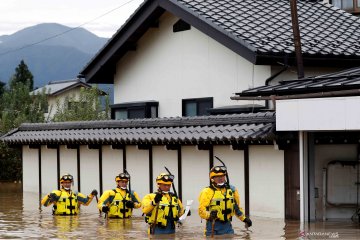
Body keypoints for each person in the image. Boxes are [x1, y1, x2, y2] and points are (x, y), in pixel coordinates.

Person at [198, 166, 252, 236]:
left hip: (227, 226)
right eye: (217, 177)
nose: (220, 178)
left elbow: (236, 209)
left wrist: (244, 219)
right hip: (213, 227)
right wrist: (210, 215)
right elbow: (201, 210)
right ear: (212, 179)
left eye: (222, 176)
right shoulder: (207, 192)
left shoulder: (232, 190)